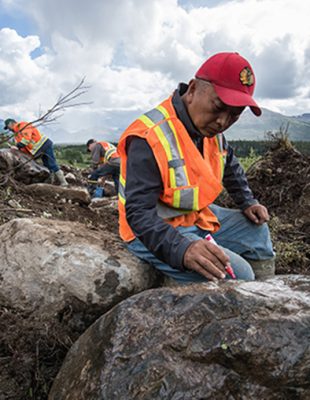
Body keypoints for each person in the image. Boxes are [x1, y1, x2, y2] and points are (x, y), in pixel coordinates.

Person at [117, 52, 275, 284]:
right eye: (218, 107)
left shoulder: (212, 131)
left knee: (258, 233)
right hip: (152, 228)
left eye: (234, 115)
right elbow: (139, 213)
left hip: (196, 217)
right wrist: (182, 250)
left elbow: (230, 166)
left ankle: (270, 300)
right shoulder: (149, 136)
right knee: (238, 274)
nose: (223, 122)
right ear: (192, 90)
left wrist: (247, 201)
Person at [4, 118, 68, 187]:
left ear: (11, 124)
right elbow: (25, 147)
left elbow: (26, 139)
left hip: (45, 145)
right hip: (38, 149)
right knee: (46, 165)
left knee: (51, 164)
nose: (9, 130)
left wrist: (17, 146)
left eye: (8, 127)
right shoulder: (17, 135)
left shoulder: (22, 126)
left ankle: (64, 183)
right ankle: (52, 182)